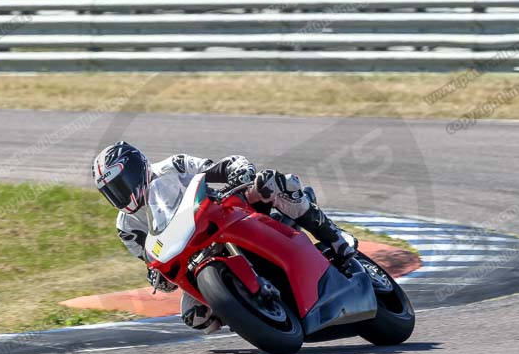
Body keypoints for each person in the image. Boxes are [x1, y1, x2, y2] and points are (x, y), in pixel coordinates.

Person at [92, 141, 356, 334]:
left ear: (137, 169)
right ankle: (252, 311)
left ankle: (333, 237)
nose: (120, 194)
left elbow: (216, 168)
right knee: (195, 317)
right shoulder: (126, 226)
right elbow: (152, 258)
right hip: (193, 253)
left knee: (272, 183)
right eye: (112, 191)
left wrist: (238, 171)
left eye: (121, 183)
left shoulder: (172, 165)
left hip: (221, 214)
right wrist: (157, 275)